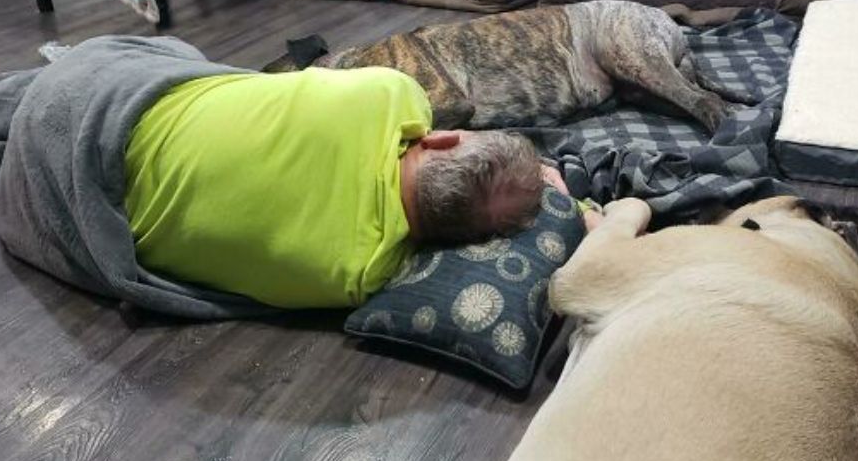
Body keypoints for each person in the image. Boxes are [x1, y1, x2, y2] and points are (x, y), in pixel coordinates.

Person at [123, 65, 549, 310]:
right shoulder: (363, 275)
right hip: (111, 208)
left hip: (131, 104)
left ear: (439, 138)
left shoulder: (392, 94)